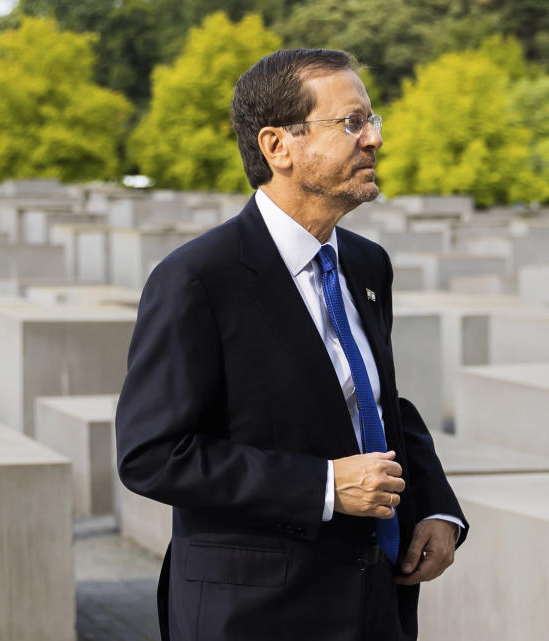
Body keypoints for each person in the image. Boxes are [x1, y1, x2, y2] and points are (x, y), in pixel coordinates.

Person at [115, 48, 468, 641]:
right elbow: (152, 454)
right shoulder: (198, 278)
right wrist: (325, 487)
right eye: (351, 122)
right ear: (278, 145)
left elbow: (378, 404)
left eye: (372, 119)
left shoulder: (366, 263)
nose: (373, 139)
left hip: (376, 600)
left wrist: (435, 506)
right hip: (254, 614)